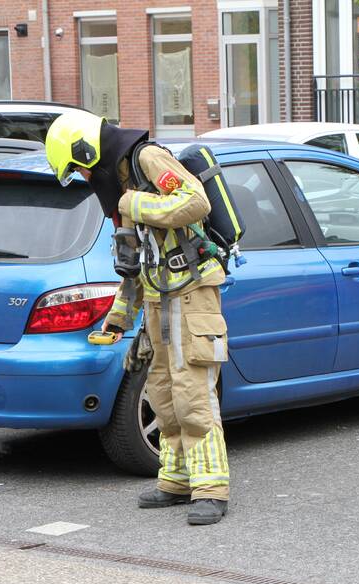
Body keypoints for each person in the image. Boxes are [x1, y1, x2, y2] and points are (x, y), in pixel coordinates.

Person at [45, 111, 231, 525]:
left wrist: (135, 203)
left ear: (87, 149)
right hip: (158, 300)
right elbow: (134, 266)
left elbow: (195, 201)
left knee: (192, 393)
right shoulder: (122, 183)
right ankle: (177, 478)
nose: (84, 178)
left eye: (79, 168)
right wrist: (117, 319)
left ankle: (211, 488)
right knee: (162, 391)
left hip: (191, 293)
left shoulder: (146, 160)